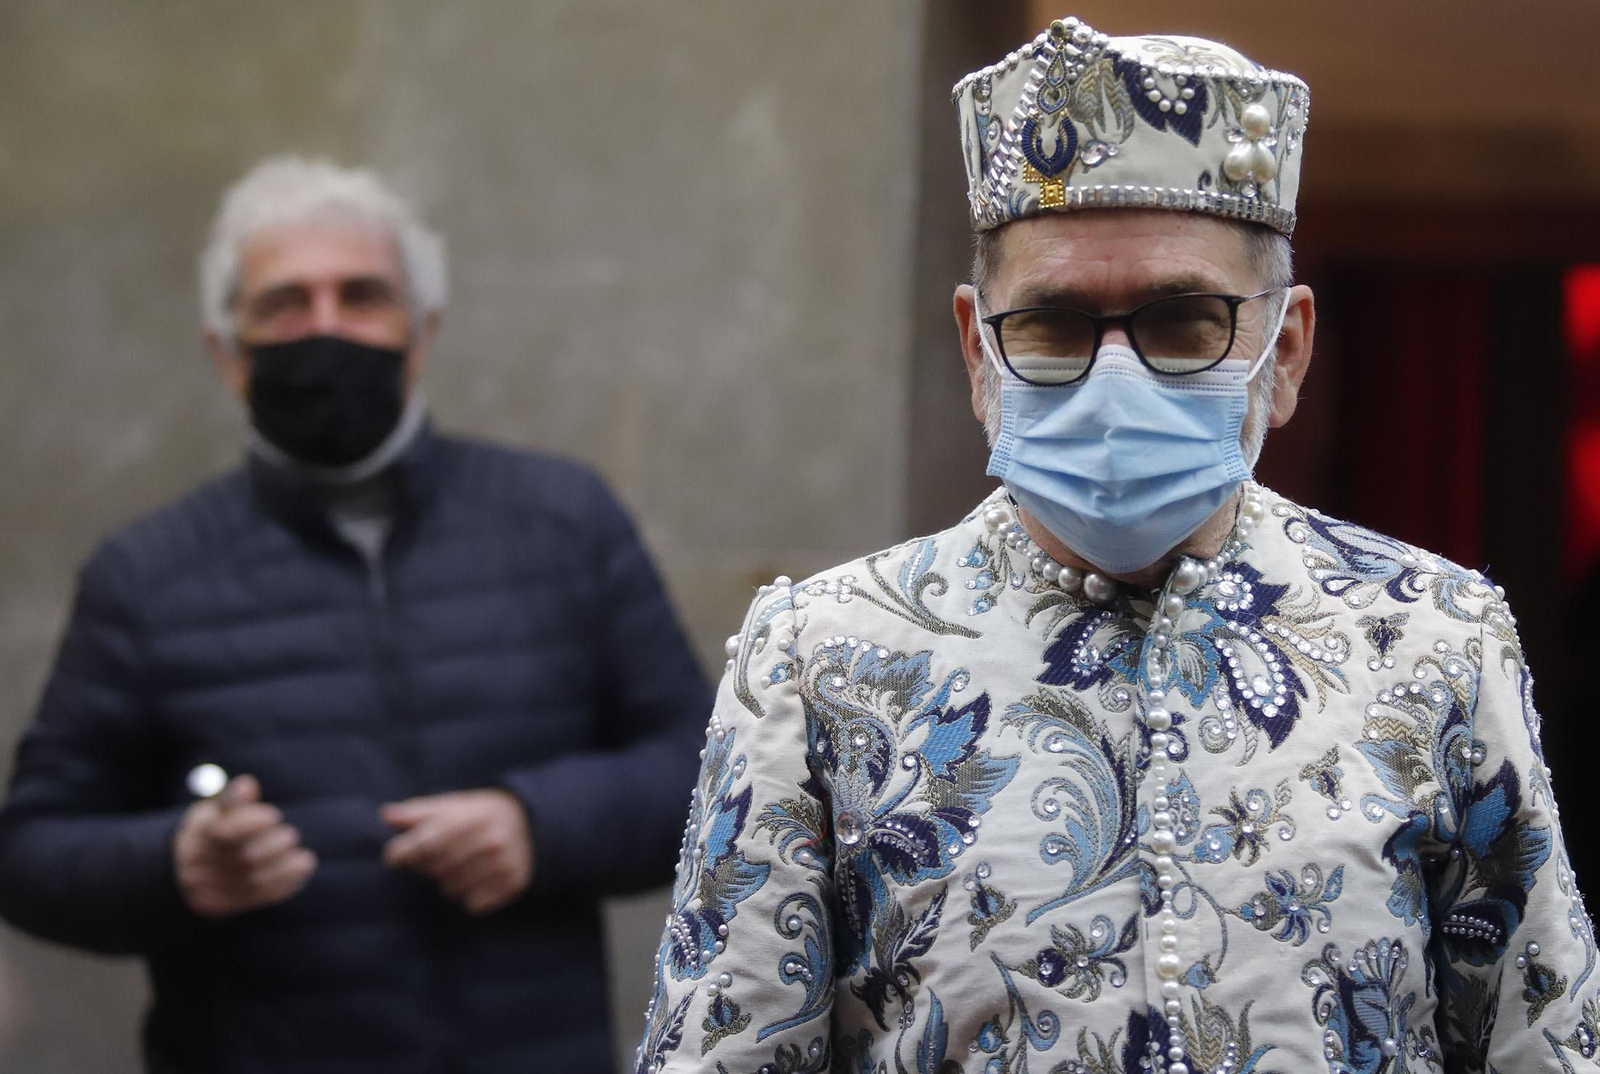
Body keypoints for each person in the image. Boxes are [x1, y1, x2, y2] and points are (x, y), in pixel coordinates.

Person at [634, 16, 1598, 1074]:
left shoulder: (1430, 638)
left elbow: (1535, 1036)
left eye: (1183, 319)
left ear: (1283, 352)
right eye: (1053, 324)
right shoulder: (819, 657)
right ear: (976, 348)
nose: (1116, 377)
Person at [0, 156, 710, 1074]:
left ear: (420, 333)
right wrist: (174, 864)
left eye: (361, 296)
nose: (324, 328)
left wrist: (538, 823)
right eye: (285, 304)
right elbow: (31, 851)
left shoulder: (564, 522)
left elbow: (707, 777)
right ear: (228, 350)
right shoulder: (143, 575)